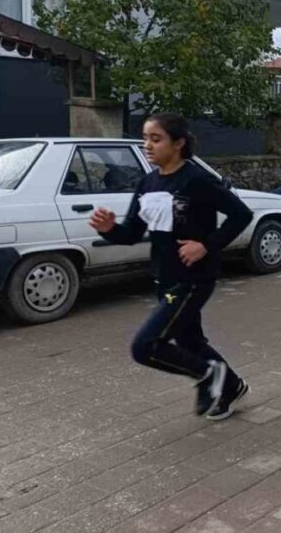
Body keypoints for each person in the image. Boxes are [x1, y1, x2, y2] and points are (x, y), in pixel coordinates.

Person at [89, 113, 254, 421]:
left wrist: (205, 245)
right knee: (189, 341)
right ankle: (231, 386)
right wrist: (108, 228)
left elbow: (241, 215)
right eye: (145, 138)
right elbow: (131, 234)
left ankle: (208, 375)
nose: (147, 145)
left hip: (193, 279)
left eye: (156, 139)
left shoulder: (196, 180)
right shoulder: (148, 183)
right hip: (163, 278)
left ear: (178, 143)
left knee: (146, 346)